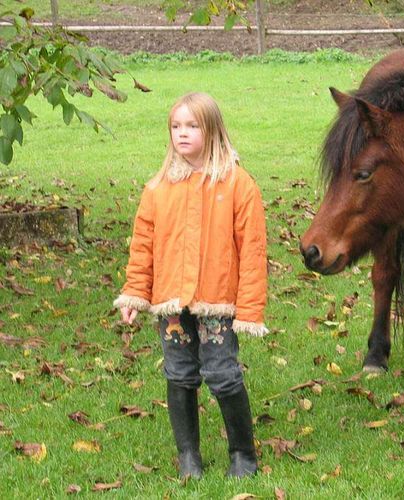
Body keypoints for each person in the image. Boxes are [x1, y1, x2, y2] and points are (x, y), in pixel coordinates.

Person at [113, 92, 268, 480]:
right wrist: (135, 292)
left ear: (212, 130)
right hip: (171, 302)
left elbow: (252, 251)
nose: (182, 133)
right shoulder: (159, 188)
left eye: (192, 126)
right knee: (179, 373)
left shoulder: (237, 185)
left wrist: (249, 310)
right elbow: (143, 245)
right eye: (176, 126)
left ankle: (242, 455)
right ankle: (189, 457)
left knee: (223, 374)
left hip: (216, 302)